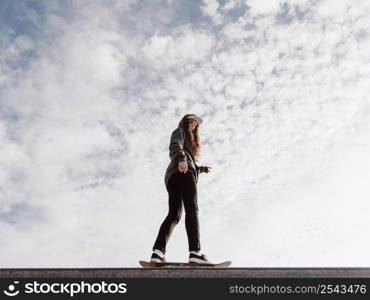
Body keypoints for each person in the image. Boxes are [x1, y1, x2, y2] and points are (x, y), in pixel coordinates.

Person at [150, 114, 212, 264]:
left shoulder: (189, 145)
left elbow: (188, 158)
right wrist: (182, 159)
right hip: (183, 171)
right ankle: (195, 253)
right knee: (192, 209)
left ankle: (157, 253)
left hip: (173, 177)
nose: (193, 125)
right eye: (191, 121)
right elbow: (175, 145)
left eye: (195, 124)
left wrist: (201, 168)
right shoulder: (180, 131)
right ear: (185, 122)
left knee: (174, 215)